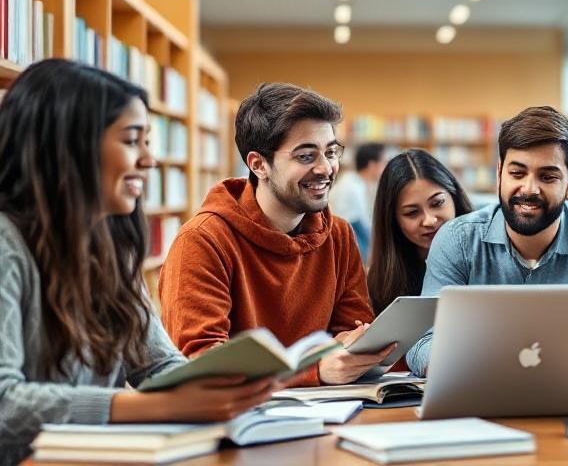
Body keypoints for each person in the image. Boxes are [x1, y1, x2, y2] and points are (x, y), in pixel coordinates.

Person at [0, 60, 276, 464]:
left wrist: (223, 386)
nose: (149, 160)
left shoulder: (109, 248)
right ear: (69, 147)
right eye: (132, 141)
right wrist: (156, 406)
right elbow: (5, 403)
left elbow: (158, 365)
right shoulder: (7, 245)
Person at [159, 82, 392, 387]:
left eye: (331, 152)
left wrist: (352, 344)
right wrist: (313, 372)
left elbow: (353, 329)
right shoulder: (202, 241)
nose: (326, 168)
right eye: (306, 156)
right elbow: (202, 363)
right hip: (238, 422)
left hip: (334, 414)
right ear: (259, 165)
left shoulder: (338, 235)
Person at [405, 106, 568, 377]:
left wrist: (546, 365)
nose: (529, 189)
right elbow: (422, 345)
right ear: (499, 173)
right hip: (481, 395)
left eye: (547, 176)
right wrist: (501, 364)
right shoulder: (457, 239)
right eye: (517, 173)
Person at [367, 149, 474, 315]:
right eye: (412, 213)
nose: (429, 221)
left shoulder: (486, 256)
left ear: (454, 196)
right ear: (393, 220)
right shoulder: (382, 283)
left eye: (437, 203)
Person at [331, 142, 385, 257]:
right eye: (383, 162)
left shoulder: (354, 183)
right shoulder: (353, 188)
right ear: (371, 165)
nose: (384, 167)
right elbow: (359, 227)